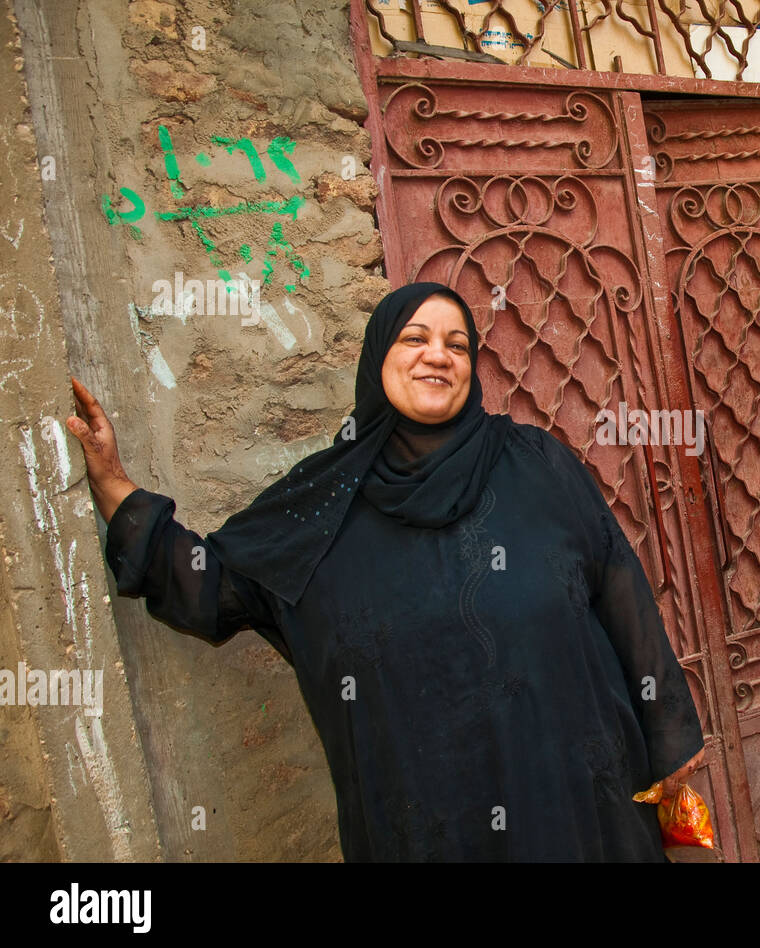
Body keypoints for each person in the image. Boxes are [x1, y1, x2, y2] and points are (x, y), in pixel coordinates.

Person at [67, 282, 707, 861]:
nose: (440, 356)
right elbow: (207, 582)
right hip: (426, 823)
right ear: (378, 358)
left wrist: (670, 734)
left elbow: (619, 586)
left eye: (458, 344)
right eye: (415, 338)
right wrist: (112, 483)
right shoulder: (319, 504)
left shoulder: (536, 464)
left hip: (577, 805)